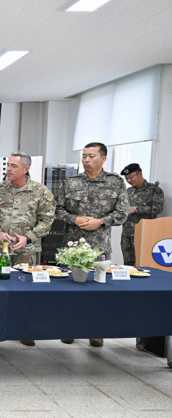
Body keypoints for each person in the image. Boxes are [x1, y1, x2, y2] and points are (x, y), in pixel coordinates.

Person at [55, 142, 129, 348]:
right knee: (69, 290)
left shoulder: (115, 182)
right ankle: (68, 328)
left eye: (91, 156)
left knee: (98, 291)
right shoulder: (71, 182)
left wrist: (101, 221)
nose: (86, 160)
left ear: (103, 159)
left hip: (99, 245)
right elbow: (57, 209)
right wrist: (74, 219)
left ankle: (96, 331)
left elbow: (122, 213)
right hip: (72, 246)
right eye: (84, 156)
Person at [0, 152, 55, 346]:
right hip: (0, 249)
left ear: (26, 169)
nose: (9, 169)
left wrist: (28, 237)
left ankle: (26, 329)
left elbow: (47, 220)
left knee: (26, 290)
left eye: (13, 166)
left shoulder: (40, 191)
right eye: (8, 165)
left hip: (27, 250)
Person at [119, 163, 165, 266]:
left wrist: (136, 209)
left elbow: (157, 208)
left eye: (131, 177)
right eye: (126, 178)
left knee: (143, 264)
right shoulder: (128, 191)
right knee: (128, 265)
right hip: (127, 234)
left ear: (140, 174)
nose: (129, 180)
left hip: (145, 234)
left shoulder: (153, 190)